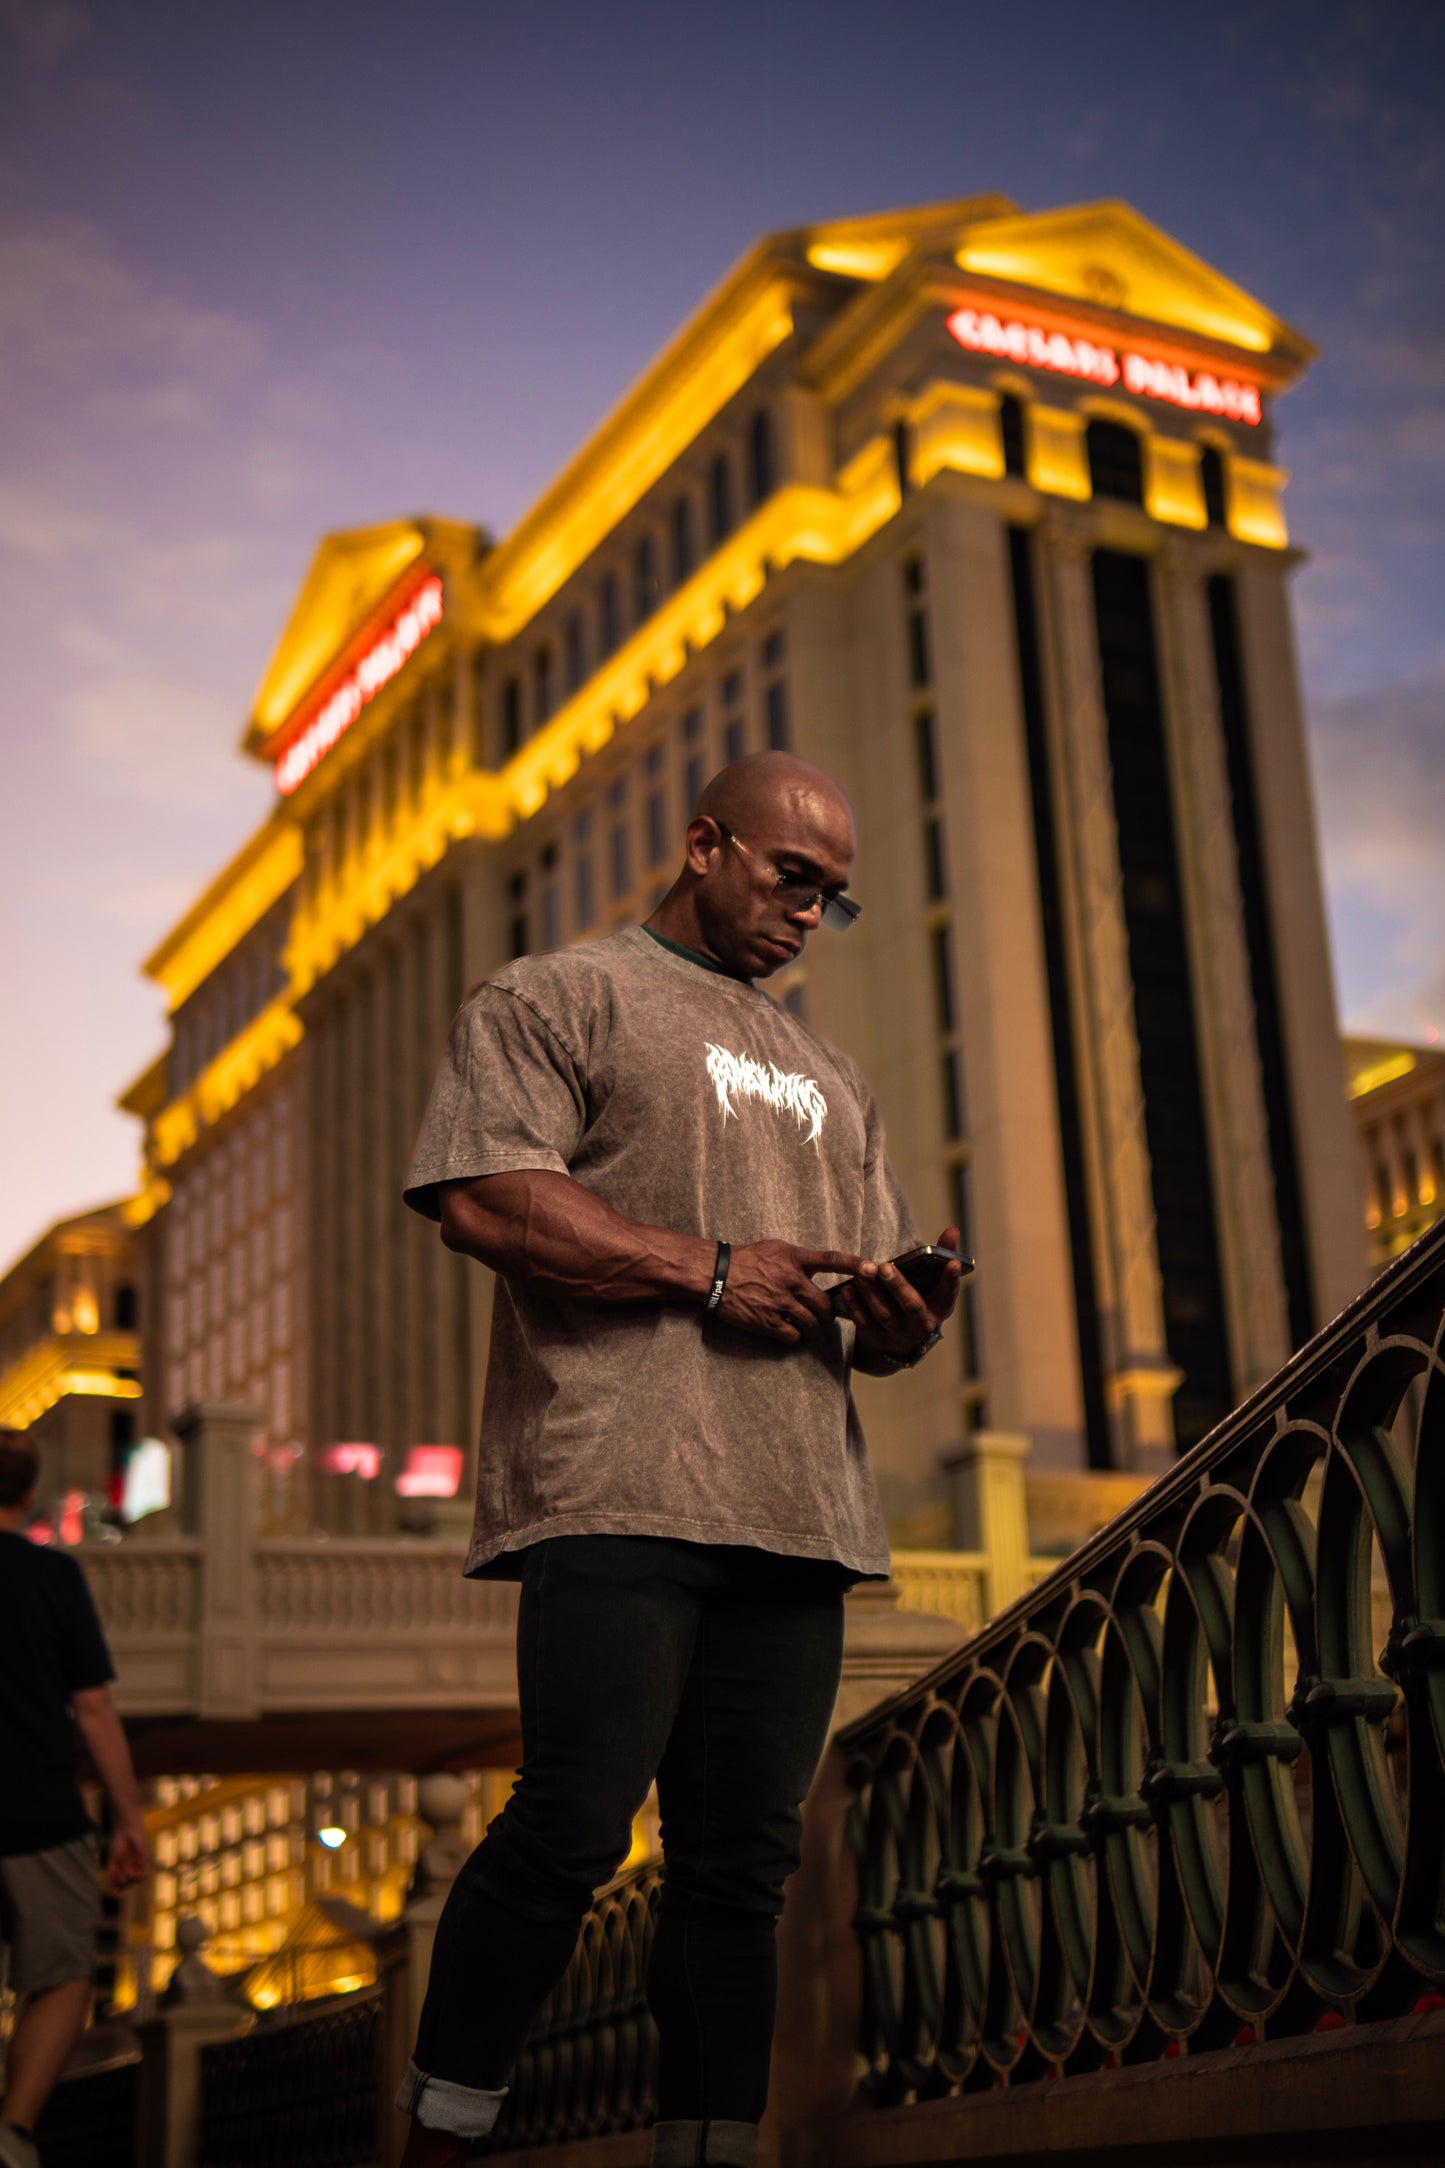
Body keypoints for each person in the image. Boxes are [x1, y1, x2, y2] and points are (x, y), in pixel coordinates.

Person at [395, 753, 964, 2168]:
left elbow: (846, 1301)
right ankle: (438, 2136)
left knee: (740, 1875)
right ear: (705, 844)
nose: (808, 917)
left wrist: (899, 1318)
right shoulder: (558, 994)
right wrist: (706, 1269)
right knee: (573, 1826)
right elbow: (481, 1198)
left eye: (833, 899)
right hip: (622, 1479)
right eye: (790, 879)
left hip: (803, 1508)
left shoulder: (834, 1075)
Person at [0, 1432, 150, 2168]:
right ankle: (14, 2133)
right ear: (27, 1497)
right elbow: (92, 1708)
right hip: (38, 1812)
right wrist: (128, 1819)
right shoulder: (53, 1577)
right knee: (60, 1977)